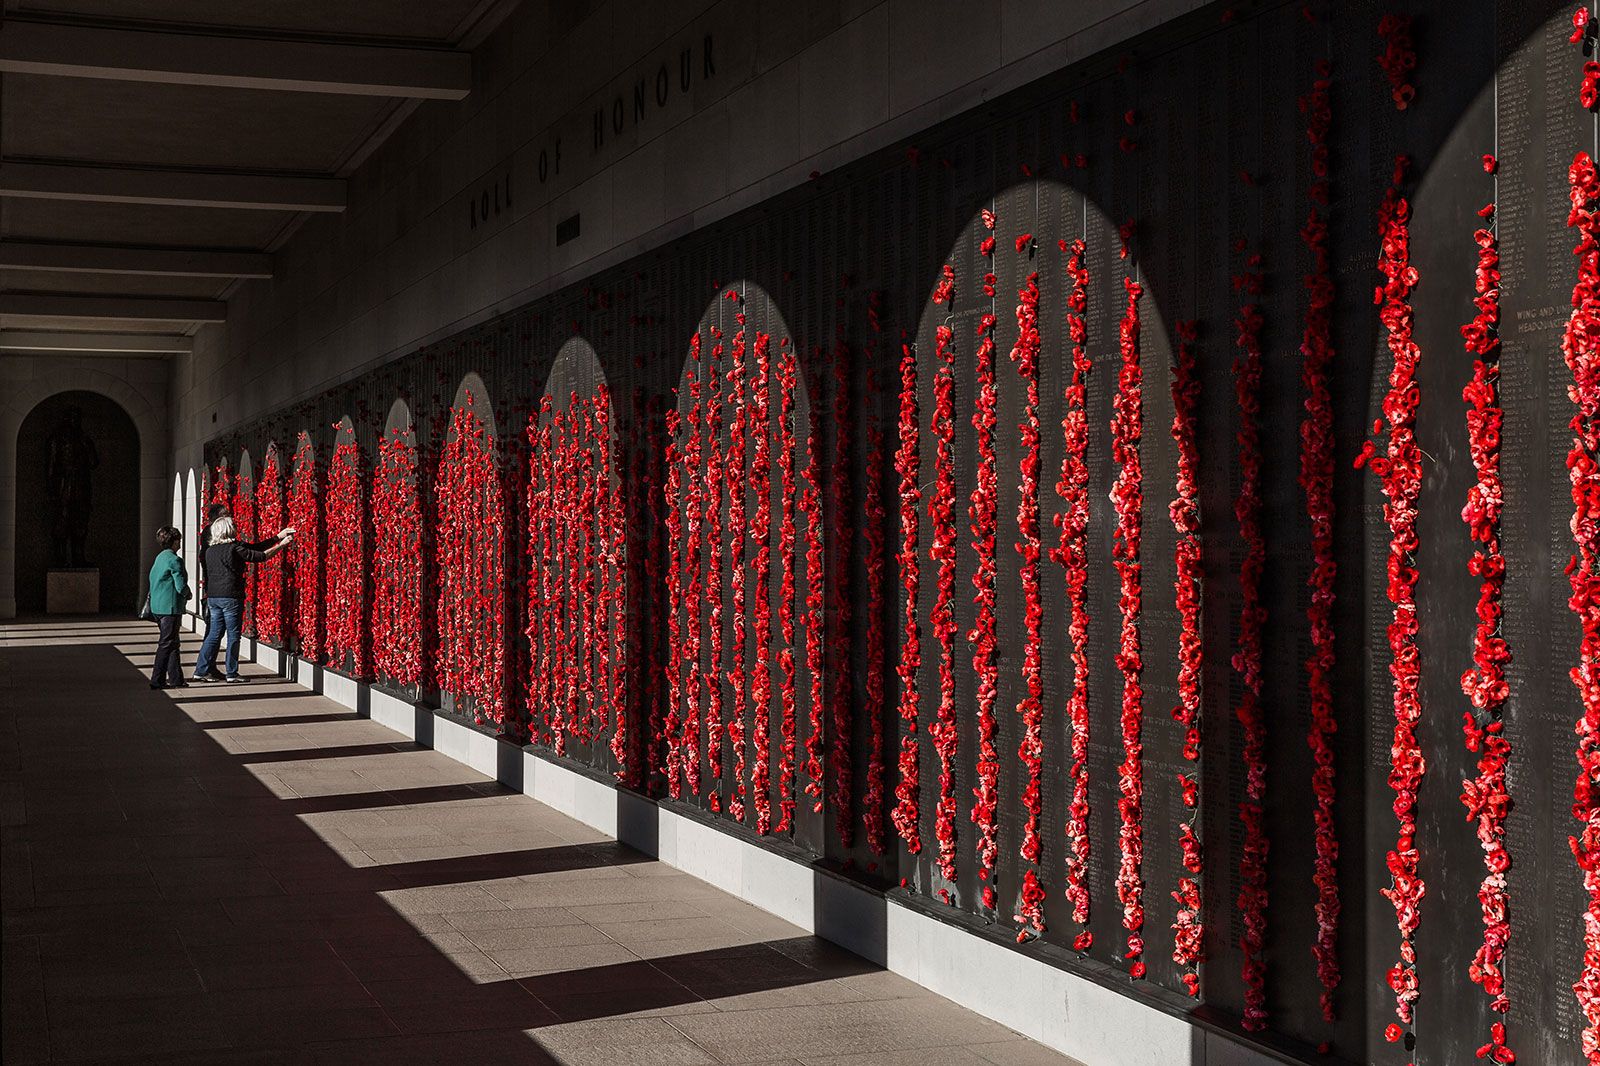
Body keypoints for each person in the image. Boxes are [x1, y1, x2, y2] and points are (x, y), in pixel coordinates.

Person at [192, 516, 294, 684]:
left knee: (214, 634)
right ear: (228, 530)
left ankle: (200, 670)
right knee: (233, 635)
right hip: (231, 596)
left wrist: (278, 537)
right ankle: (231, 673)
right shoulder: (234, 548)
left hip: (214, 597)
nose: (236, 528)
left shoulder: (210, 551)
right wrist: (282, 545)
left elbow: (254, 548)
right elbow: (260, 556)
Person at [147, 526, 190, 690]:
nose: (180, 543)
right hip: (169, 608)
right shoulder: (174, 560)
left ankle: (176, 678)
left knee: (172, 643)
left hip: (158, 607)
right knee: (167, 644)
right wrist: (189, 594)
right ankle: (157, 678)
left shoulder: (160, 558)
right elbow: (180, 586)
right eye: (178, 540)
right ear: (174, 542)